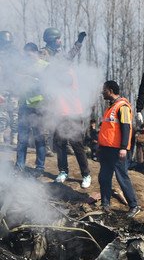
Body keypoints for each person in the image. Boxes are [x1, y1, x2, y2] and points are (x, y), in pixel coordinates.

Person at [98, 80, 140, 217]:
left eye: (104, 90)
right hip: (106, 149)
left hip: (117, 150)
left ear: (110, 90)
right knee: (104, 177)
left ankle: (134, 205)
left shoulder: (122, 107)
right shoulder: (111, 107)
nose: (102, 92)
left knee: (122, 177)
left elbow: (126, 128)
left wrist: (123, 148)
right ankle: (105, 204)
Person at [52, 66, 93, 187]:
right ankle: (63, 171)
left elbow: (66, 79)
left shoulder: (69, 73)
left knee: (77, 145)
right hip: (60, 115)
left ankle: (86, 174)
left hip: (74, 115)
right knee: (60, 144)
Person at [15, 43, 49, 175]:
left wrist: (31, 79)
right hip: (23, 106)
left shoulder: (45, 66)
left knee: (39, 139)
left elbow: (48, 88)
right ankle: (19, 166)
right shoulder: (23, 66)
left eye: (29, 55)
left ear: (35, 52)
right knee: (22, 138)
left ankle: (40, 168)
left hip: (38, 107)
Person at [0, 30, 19, 145]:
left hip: (14, 88)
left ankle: (14, 136)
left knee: (14, 114)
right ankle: (2, 135)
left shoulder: (15, 55)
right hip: (3, 88)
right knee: (2, 113)